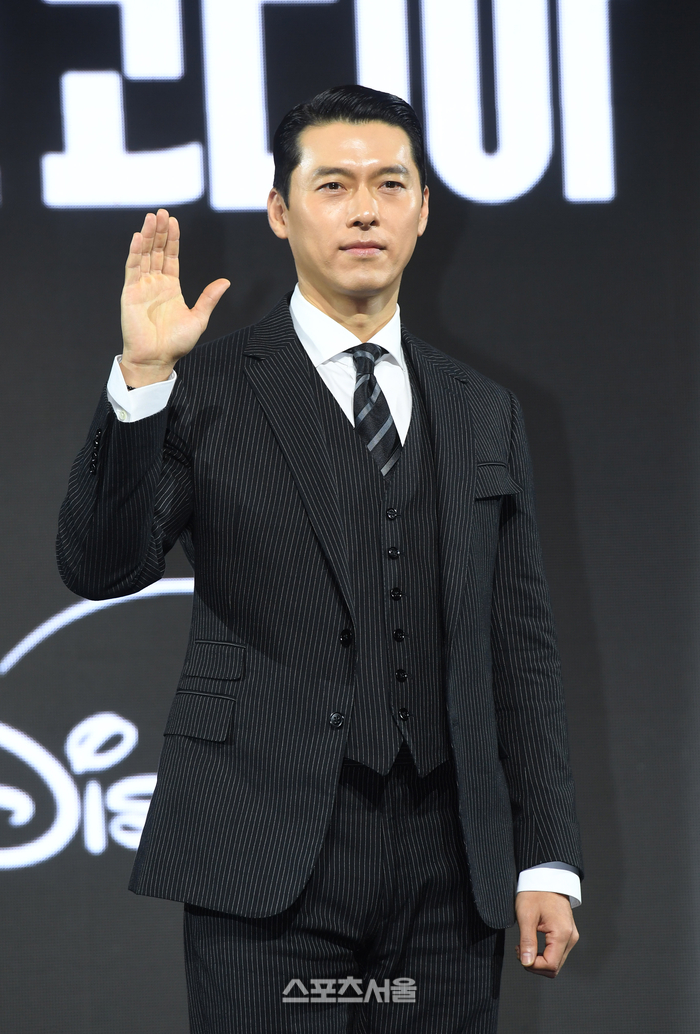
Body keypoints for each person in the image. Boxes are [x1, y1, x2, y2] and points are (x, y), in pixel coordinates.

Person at [57, 86, 583, 1034]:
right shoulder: (205, 389)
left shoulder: (482, 410)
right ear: (279, 210)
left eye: (391, 184)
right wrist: (142, 380)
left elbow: (522, 644)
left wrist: (546, 855)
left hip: (448, 872)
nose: (365, 210)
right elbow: (101, 567)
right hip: (264, 850)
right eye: (333, 185)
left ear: (424, 209)